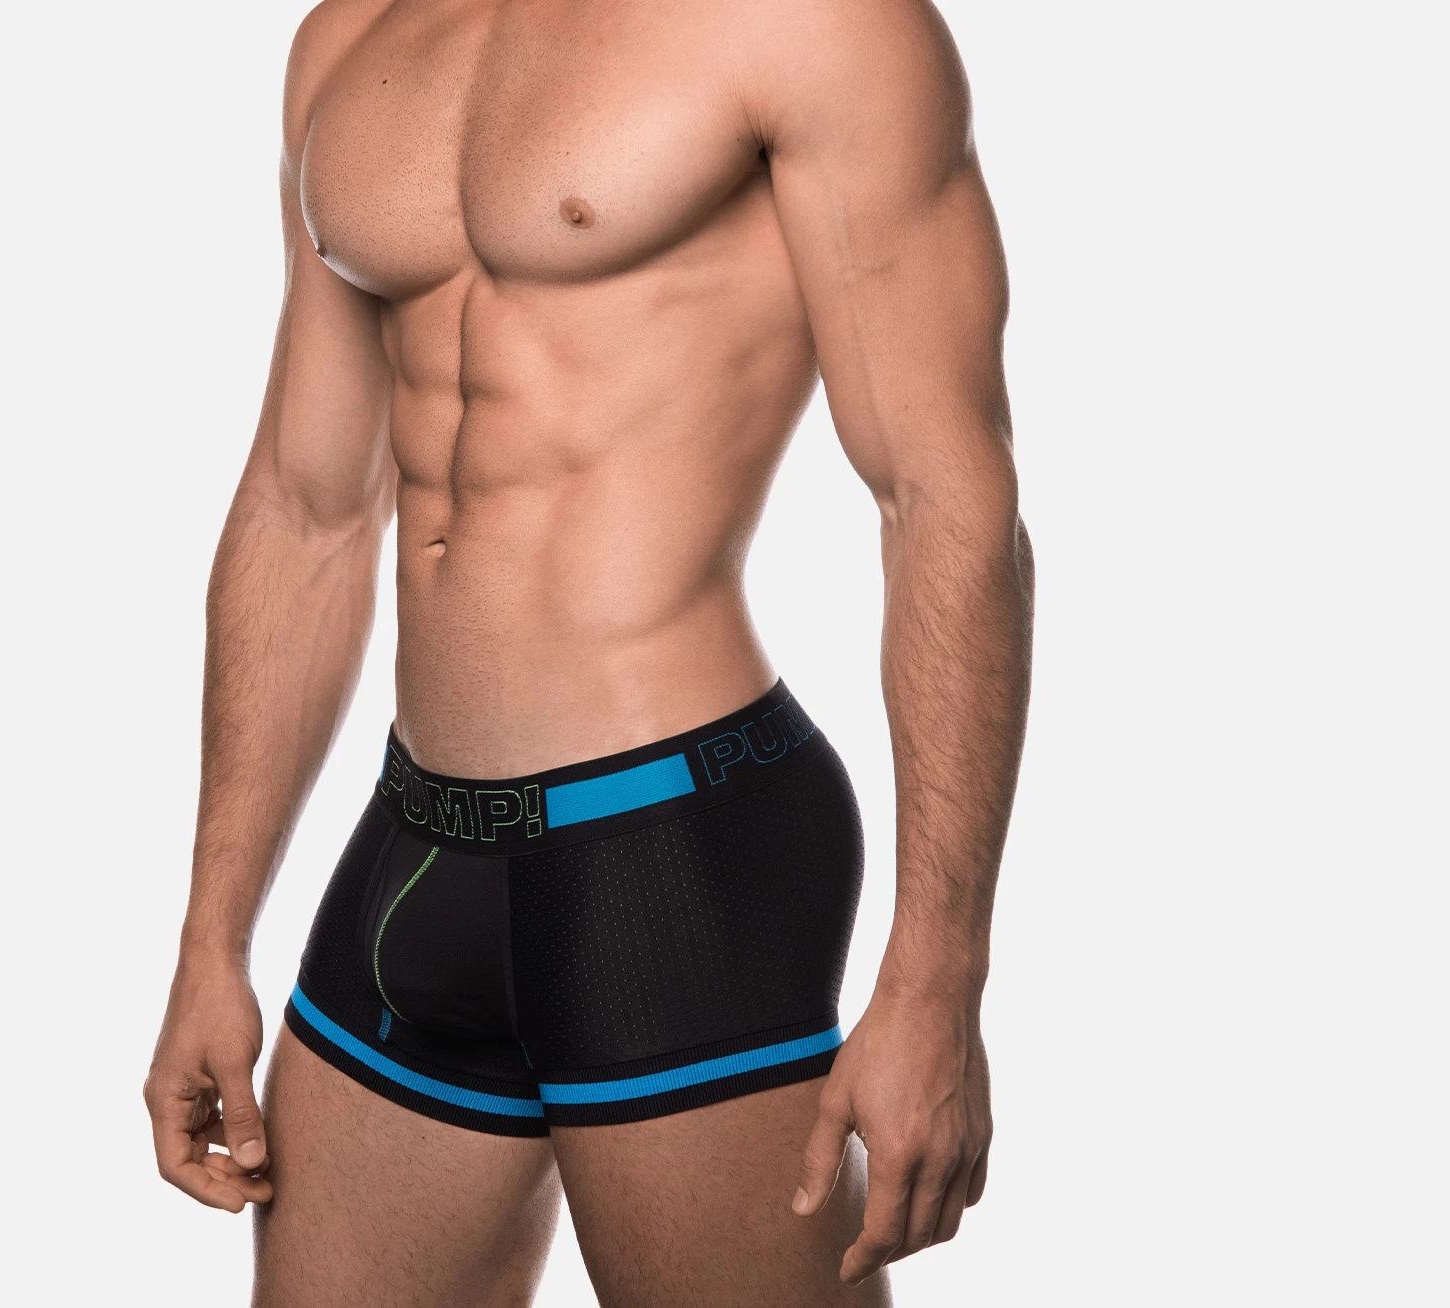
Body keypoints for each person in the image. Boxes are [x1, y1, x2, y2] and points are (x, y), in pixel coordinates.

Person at [145, 0, 1033, 1300]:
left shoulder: (812, 26)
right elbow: (307, 508)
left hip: (672, 845)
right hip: (415, 847)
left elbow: (945, 495)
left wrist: (940, 976)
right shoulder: (350, 38)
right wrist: (209, 939)